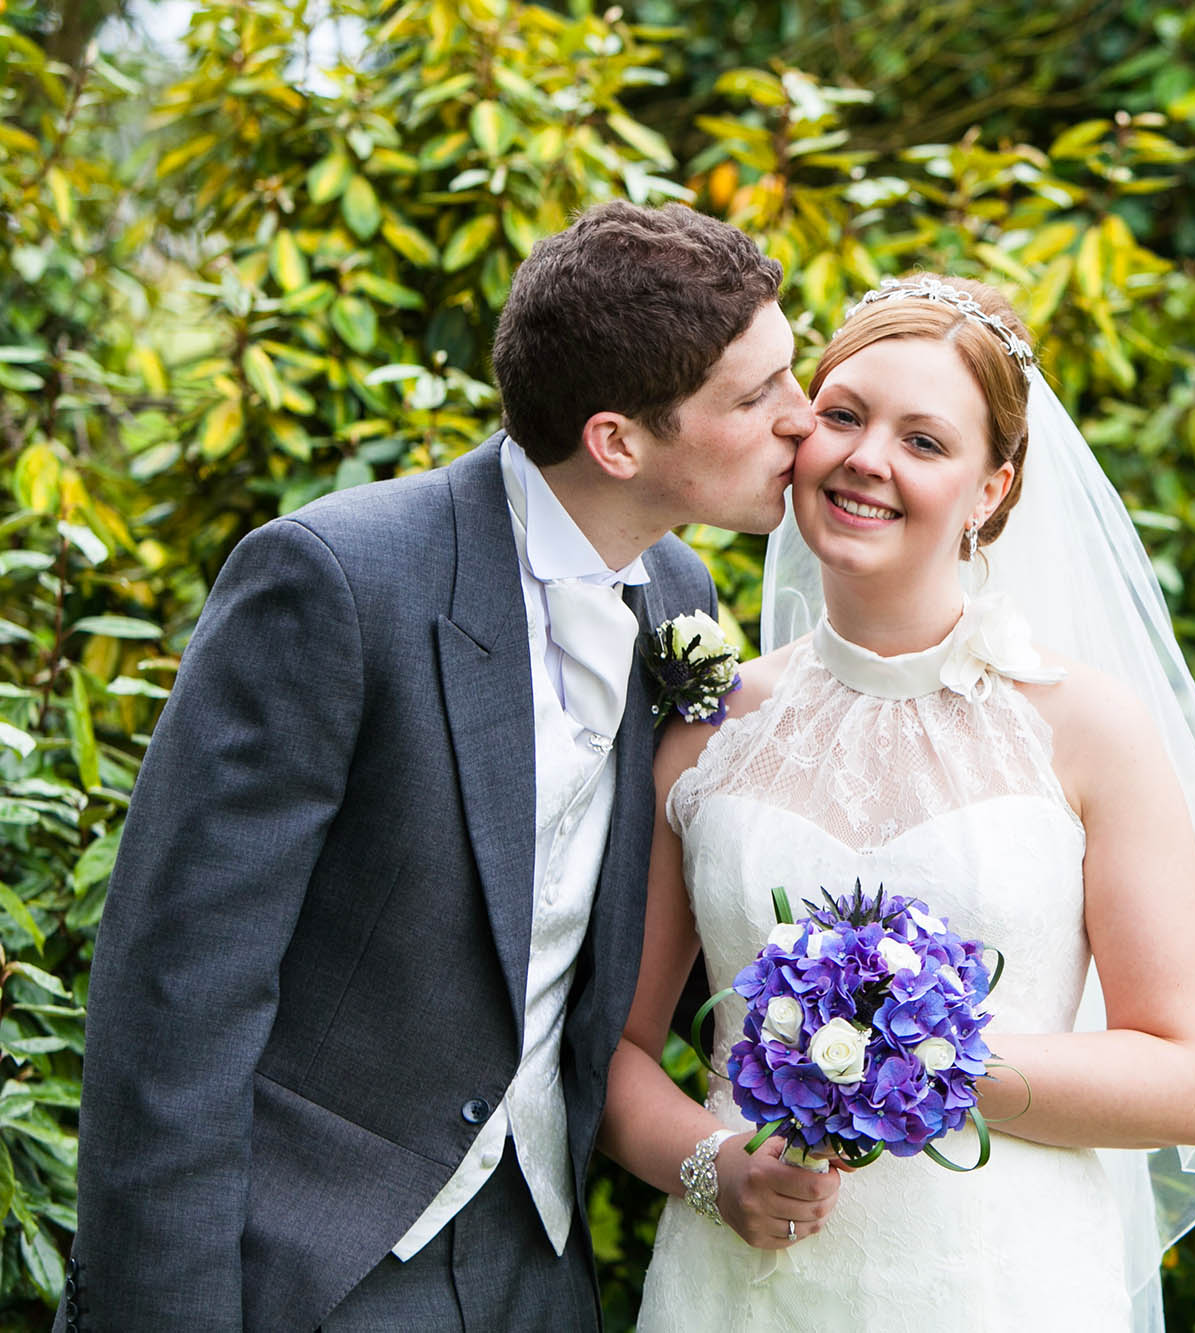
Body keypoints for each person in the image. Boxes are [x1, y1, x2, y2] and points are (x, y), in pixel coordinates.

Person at [63, 201, 816, 1333]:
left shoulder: (677, 600)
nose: (804, 424)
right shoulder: (335, 582)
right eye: (757, 397)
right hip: (307, 1263)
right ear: (617, 440)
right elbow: (176, 992)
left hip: (538, 1263)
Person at [599, 274, 1195, 1331]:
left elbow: (1187, 1074)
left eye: (924, 442)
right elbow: (615, 1049)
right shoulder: (706, 726)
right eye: (842, 416)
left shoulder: (1087, 730)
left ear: (991, 489)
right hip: (740, 1294)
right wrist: (715, 1166)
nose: (867, 458)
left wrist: (922, 1057)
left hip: (1000, 1287)